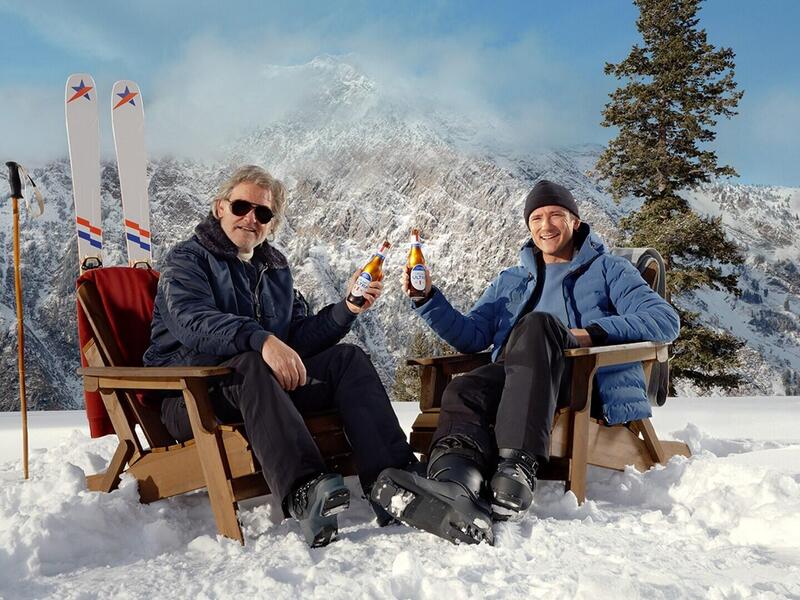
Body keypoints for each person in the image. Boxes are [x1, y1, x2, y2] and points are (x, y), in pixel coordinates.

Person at [371, 180, 680, 545]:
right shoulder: (512, 279)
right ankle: (454, 485)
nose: (546, 225)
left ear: (575, 222)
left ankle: (516, 469)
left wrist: (588, 334)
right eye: (537, 218)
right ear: (528, 227)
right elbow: (472, 336)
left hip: (580, 378)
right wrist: (427, 300)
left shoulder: (609, 270)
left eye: (556, 216)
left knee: (537, 325)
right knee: (465, 387)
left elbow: (664, 320)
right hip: (515, 375)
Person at [143, 165, 416, 548]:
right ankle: (306, 489)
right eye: (241, 206)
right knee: (251, 361)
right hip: (192, 395)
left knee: (347, 360)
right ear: (220, 207)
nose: (251, 218)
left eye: (264, 213)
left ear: (272, 223)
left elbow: (299, 337)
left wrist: (348, 308)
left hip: (263, 392)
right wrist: (262, 340)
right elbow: (192, 321)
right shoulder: (187, 260)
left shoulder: (274, 269)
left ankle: (395, 481)